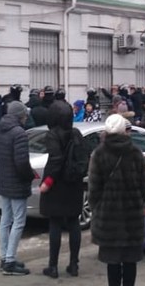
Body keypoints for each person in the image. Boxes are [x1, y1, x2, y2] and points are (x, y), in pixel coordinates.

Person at [88, 114, 145, 286]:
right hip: (132, 219)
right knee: (130, 261)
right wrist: (138, 205)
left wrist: (98, 210)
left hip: (108, 219)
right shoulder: (136, 153)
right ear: (124, 131)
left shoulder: (98, 154)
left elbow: (93, 190)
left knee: (112, 262)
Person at [39, 101, 85, 279]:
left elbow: (56, 160)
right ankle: (74, 264)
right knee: (74, 223)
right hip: (74, 184)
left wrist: (48, 182)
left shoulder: (52, 135)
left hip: (57, 185)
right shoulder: (76, 133)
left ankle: (53, 266)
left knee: (55, 223)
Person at [0, 101, 35, 275]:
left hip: (4, 180)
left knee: (5, 220)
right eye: (25, 115)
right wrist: (30, 175)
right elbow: (22, 162)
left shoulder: (0, 129)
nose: (26, 117)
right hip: (17, 183)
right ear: (20, 115)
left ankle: (5, 257)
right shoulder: (19, 133)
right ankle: (10, 261)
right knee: (18, 221)